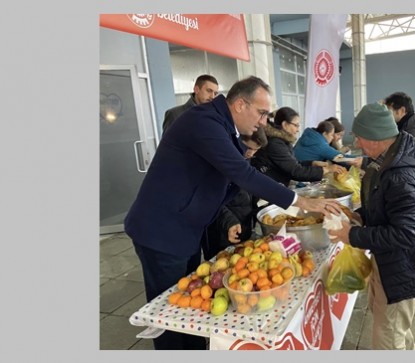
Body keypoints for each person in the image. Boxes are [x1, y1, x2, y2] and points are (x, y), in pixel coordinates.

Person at [124, 76, 340, 350]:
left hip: (187, 227)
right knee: (170, 313)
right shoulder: (203, 122)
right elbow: (240, 173)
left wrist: (226, 219)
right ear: (239, 104)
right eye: (261, 113)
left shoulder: (225, 128)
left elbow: (225, 181)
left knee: (189, 304)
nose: (264, 122)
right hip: (162, 231)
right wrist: (300, 201)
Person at [328, 102, 415, 350]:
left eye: (359, 137)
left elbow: (405, 234)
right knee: (395, 327)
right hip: (395, 262)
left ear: (376, 139)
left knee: (388, 336)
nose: (357, 144)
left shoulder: (400, 174)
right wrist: (358, 216)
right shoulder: (388, 160)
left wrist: (352, 235)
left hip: (406, 265)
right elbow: (385, 209)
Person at [201, 128, 268, 261]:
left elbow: (249, 190)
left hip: (242, 225)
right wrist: (230, 222)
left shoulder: (244, 158)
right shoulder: (219, 162)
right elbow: (212, 200)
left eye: (256, 150)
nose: (251, 153)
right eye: (249, 148)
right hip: (221, 229)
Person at [251, 106, 346, 188]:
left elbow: (292, 163)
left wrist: (313, 163)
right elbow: (295, 171)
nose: (298, 129)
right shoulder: (275, 143)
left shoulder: (283, 141)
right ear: (284, 124)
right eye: (296, 125)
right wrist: (327, 169)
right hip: (268, 188)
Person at [293, 120, 362, 167]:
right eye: (331, 135)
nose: (332, 138)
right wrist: (361, 159)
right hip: (302, 178)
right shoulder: (320, 144)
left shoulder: (307, 136)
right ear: (325, 133)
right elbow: (340, 158)